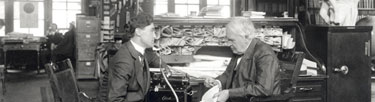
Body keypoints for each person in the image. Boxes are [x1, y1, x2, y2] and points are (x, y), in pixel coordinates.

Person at [204, 17, 281, 102]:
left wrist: (230, 93)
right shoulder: (239, 50)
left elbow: (264, 89)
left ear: (246, 37)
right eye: (228, 40)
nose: (229, 44)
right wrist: (217, 82)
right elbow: (228, 74)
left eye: (232, 40)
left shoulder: (265, 54)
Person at [108, 13, 169, 102]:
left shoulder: (141, 51)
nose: (155, 36)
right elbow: (115, 100)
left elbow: (153, 58)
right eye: (151, 31)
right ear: (138, 32)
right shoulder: (124, 60)